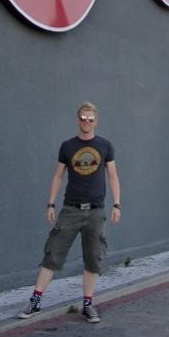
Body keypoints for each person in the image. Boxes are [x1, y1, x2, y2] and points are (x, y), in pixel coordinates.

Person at [18, 102, 120, 323]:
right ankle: (35, 301)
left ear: (96, 121)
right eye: (83, 119)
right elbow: (58, 176)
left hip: (95, 212)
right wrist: (50, 204)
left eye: (90, 119)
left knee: (93, 259)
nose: (86, 123)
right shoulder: (67, 146)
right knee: (52, 254)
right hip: (70, 210)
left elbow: (112, 176)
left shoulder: (105, 145)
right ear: (77, 120)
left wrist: (117, 205)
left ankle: (87, 304)